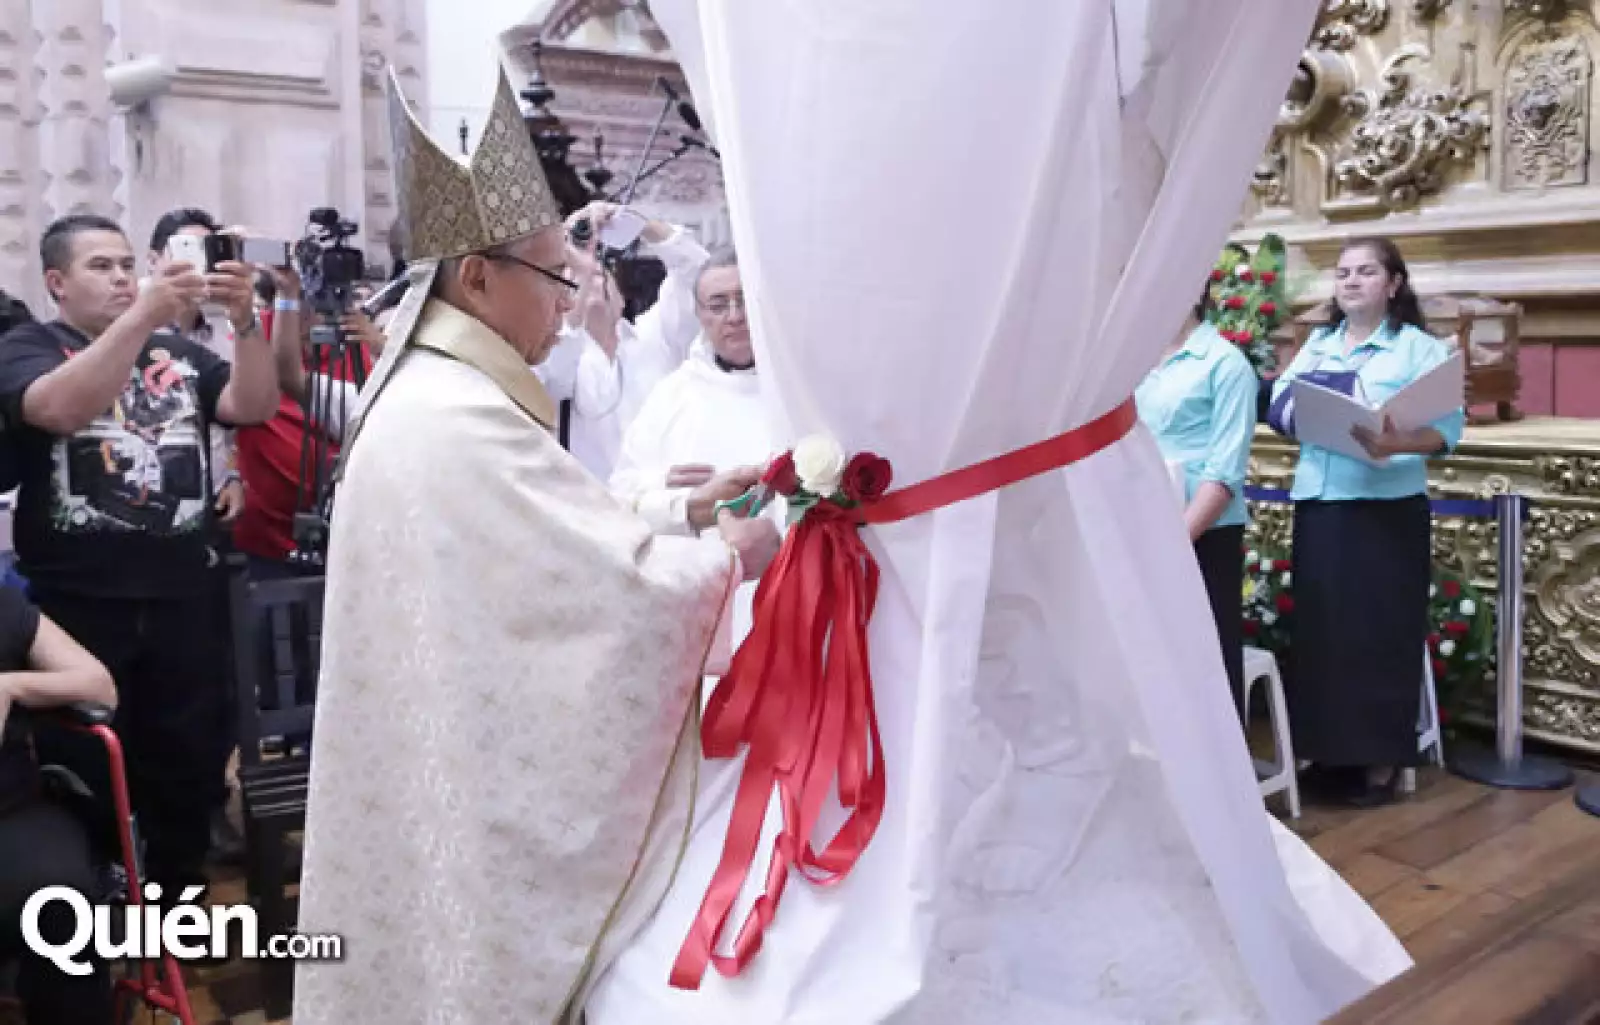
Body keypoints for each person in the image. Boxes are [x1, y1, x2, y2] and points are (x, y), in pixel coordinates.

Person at [290, 66, 782, 1025]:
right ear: (476, 276)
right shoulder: (453, 413)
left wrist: (681, 517)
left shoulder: (443, 393)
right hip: (469, 777)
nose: (571, 301)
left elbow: (558, 536)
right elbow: (600, 598)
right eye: (558, 277)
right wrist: (726, 557)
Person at [0, 213, 278, 894]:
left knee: (188, 765)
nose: (123, 277)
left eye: (128, 264)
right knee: (86, 771)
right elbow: (58, 409)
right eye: (102, 266)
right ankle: (99, 914)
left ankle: (178, 901)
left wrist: (244, 323)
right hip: (80, 607)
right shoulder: (27, 345)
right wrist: (145, 315)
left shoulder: (176, 352)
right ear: (56, 282)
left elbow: (252, 403)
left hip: (186, 595)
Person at [1268, 236, 1464, 807]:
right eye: (1343, 272)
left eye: (1366, 271)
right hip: (1322, 503)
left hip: (1386, 508)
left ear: (1394, 285)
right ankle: (1327, 751)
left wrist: (1396, 441)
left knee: (1379, 632)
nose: (1351, 281)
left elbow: (1447, 430)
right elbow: (1281, 401)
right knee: (1325, 630)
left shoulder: (1418, 350)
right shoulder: (1318, 345)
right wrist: (1305, 412)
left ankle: (1378, 760)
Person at [0, 584, 119, 1025]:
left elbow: (100, 686)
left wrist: (12, 686)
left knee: (61, 903)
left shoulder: (5, 607)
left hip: (11, 810)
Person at [1136, 276, 1258, 703]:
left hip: (1202, 530)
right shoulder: (1135, 360)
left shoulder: (1225, 364)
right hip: (1142, 525)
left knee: (1203, 660)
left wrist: (1176, 542)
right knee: (1148, 657)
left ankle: (1217, 768)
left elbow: (1225, 472)